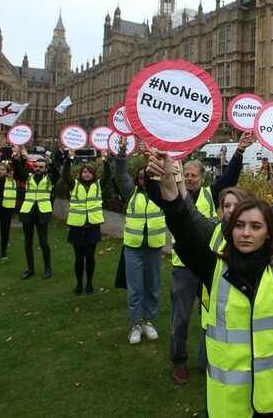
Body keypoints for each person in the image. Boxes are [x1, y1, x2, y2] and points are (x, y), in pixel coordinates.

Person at [148, 148, 273, 417]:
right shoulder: (212, 266)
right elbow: (182, 225)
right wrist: (169, 183)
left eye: (255, 226)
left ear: (268, 232)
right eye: (239, 226)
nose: (246, 233)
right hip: (229, 405)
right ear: (230, 229)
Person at [146, 131, 254, 385]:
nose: (190, 178)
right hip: (184, 269)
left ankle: (207, 362)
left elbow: (230, 178)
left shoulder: (211, 192)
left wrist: (239, 152)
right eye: (187, 175)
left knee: (211, 318)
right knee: (180, 319)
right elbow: (153, 190)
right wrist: (151, 166)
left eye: (195, 175)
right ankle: (179, 362)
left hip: (210, 268)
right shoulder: (172, 193)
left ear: (202, 178)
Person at [114, 137, 167, 344]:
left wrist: (150, 159)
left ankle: (147, 321)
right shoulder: (131, 193)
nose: (144, 180)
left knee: (152, 286)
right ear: (137, 180)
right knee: (135, 288)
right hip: (133, 248)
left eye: (147, 176)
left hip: (153, 247)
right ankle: (135, 324)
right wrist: (121, 152)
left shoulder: (160, 193)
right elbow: (120, 174)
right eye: (141, 177)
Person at [62, 150, 111, 295]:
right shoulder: (74, 185)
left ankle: (89, 283)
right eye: (84, 172)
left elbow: (107, 176)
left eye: (89, 172)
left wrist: (105, 160)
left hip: (92, 227)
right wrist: (69, 159)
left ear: (93, 174)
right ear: (81, 174)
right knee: (79, 257)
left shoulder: (98, 185)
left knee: (90, 257)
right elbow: (65, 176)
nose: (87, 174)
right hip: (77, 227)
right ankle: (79, 284)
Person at [13, 147, 60, 280]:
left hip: (43, 213)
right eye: (36, 166)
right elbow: (17, 172)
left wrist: (50, 161)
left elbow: (57, 175)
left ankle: (48, 268)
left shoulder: (49, 178)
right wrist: (16, 158)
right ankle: (30, 269)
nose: (38, 168)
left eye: (41, 167)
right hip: (27, 213)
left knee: (43, 243)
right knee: (28, 243)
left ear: (45, 169)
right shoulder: (28, 177)